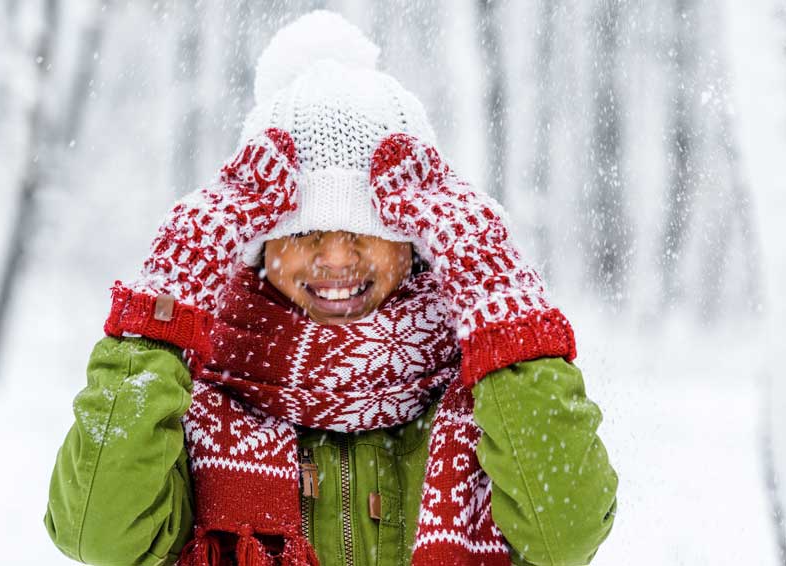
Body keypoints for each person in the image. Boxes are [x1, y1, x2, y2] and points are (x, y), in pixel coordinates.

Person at [45, 10, 617, 566]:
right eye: (304, 231)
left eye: (369, 231)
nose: (338, 257)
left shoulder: (485, 399)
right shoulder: (191, 397)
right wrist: (162, 307)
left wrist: (498, 292)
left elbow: (563, 535)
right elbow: (98, 534)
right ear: (260, 244)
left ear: (418, 241)